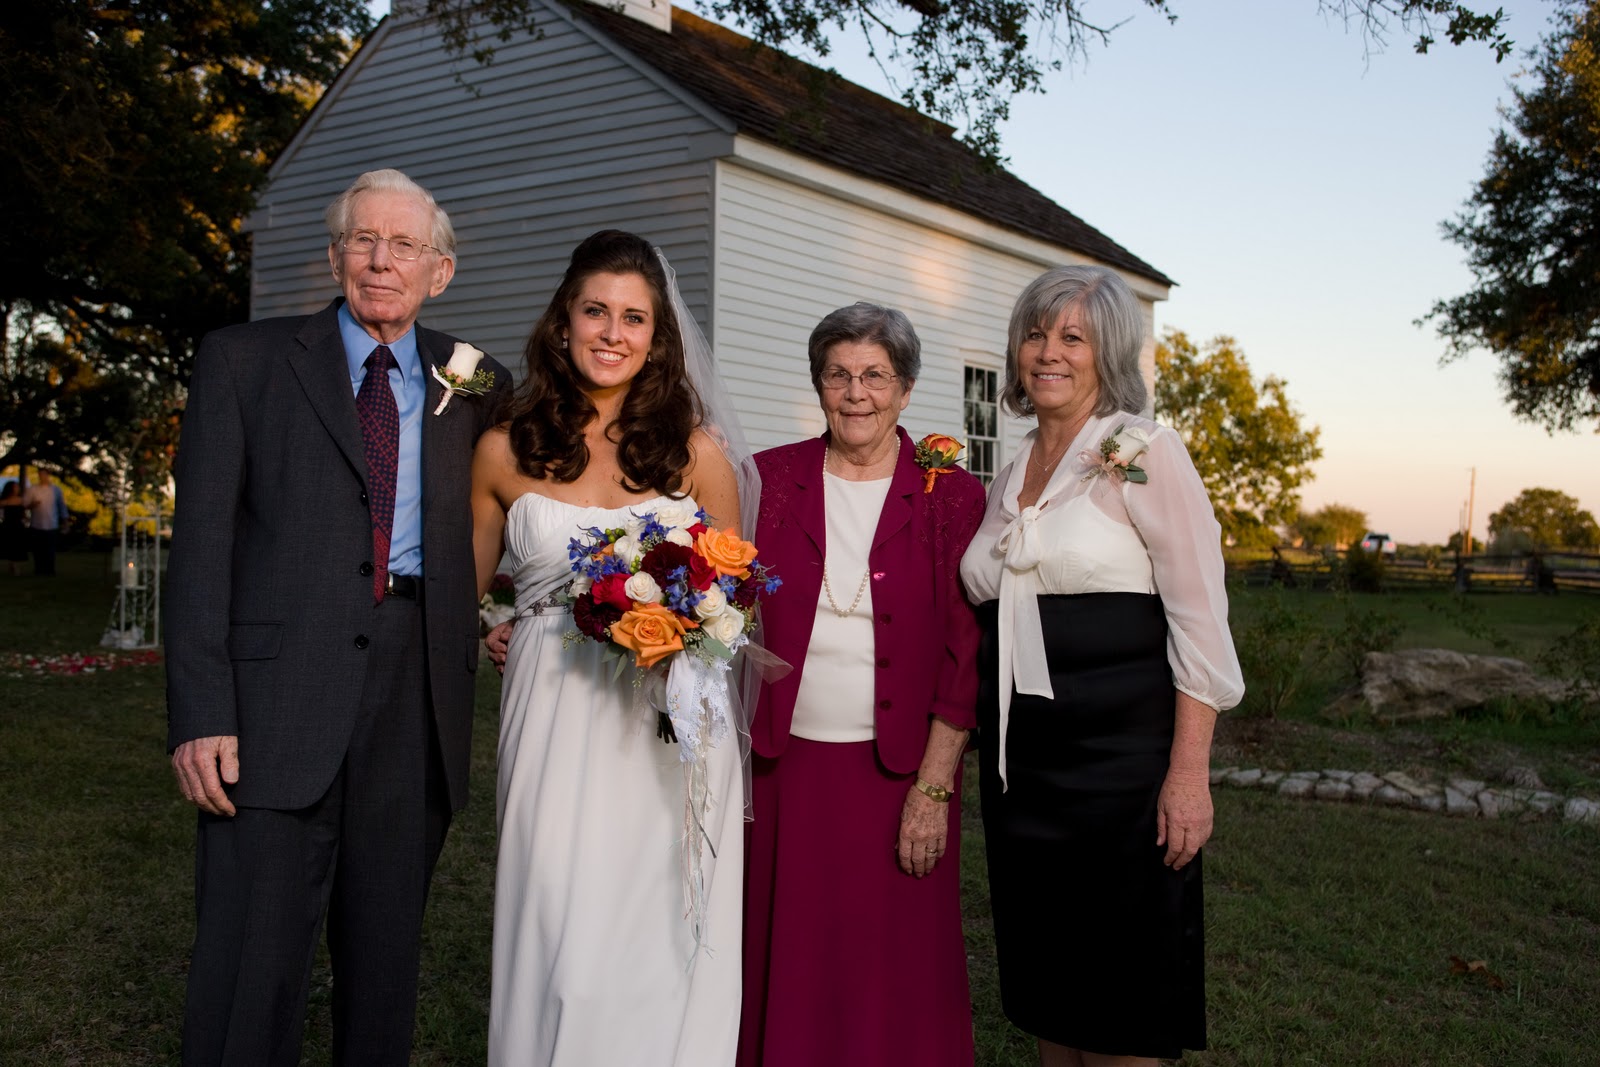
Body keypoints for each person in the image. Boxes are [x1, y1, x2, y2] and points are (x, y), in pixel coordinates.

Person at [165, 168, 510, 1065]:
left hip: (418, 694)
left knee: (385, 965)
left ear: (441, 270)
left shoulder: (476, 383)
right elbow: (199, 548)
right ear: (334, 255)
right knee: (250, 961)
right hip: (276, 698)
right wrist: (201, 713)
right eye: (364, 240)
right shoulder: (243, 361)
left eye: (405, 245)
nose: (381, 260)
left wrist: (510, 608)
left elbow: (520, 509)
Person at [469, 230, 753, 1066]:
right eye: (596, 310)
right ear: (564, 321)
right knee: (556, 914)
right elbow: (458, 590)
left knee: (657, 927)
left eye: (634, 317)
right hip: (553, 708)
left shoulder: (697, 455)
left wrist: (687, 623)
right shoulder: (501, 449)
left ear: (657, 338)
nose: (612, 332)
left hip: (665, 720)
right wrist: (491, 622)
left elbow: (730, 599)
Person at [959, 266, 1243, 1066]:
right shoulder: (1012, 471)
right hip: (1026, 774)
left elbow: (1200, 622)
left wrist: (1189, 774)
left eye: (1072, 337)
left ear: (1106, 353)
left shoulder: (1142, 451)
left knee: (1123, 1002)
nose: (1049, 352)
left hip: (1123, 772)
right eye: (1036, 333)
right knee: (1054, 987)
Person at [738, 303, 985, 1066]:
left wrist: (934, 787)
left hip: (898, 776)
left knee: (894, 975)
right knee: (785, 960)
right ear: (817, 384)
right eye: (838, 375)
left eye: (875, 376)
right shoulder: (766, 481)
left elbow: (963, 654)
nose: (856, 393)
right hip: (782, 772)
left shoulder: (952, 497)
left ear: (905, 388)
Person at [21, 470, 69, 575]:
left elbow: (61, 506)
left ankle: (49, 569)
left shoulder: (56, 490)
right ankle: (39, 569)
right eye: (40, 475)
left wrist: (65, 521)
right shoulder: (33, 489)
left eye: (44, 475)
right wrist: (33, 505)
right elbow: (25, 505)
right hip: (37, 524)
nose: (42, 477)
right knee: (38, 549)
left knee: (50, 549)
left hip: (52, 524)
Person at [0, 475, 28, 576]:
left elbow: (24, 513)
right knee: (10, 546)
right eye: (15, 487)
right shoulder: (4, 501)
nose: (17, 488)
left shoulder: (21, 500)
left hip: (18, 526)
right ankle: (13, 566)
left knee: (17, 546)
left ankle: (14, 566)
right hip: (8, 526)